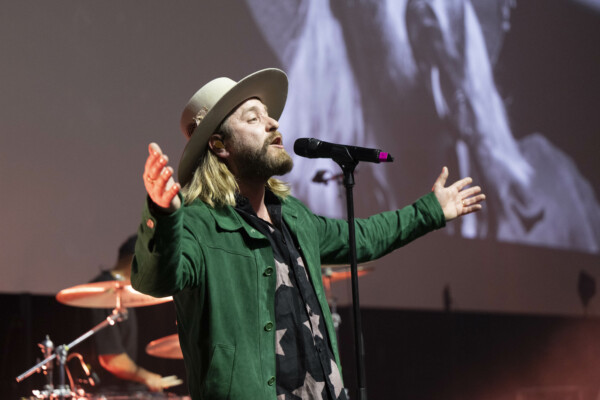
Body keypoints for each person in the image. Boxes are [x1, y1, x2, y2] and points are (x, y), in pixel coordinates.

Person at [131, 68, 485, 400]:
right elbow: (155, 280)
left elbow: (361, 237)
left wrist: (431, 211)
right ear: (220, 145)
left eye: (268, 114)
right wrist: (162, 214)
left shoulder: (294, 217)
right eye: (253, 119)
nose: (273, 123)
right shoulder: (200, 223)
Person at [88, 234, 165, 393]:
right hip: (105, 391)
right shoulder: (106, 292)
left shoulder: (124, 293)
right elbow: (111, 358)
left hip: (124, 389)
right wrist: (148, 377)